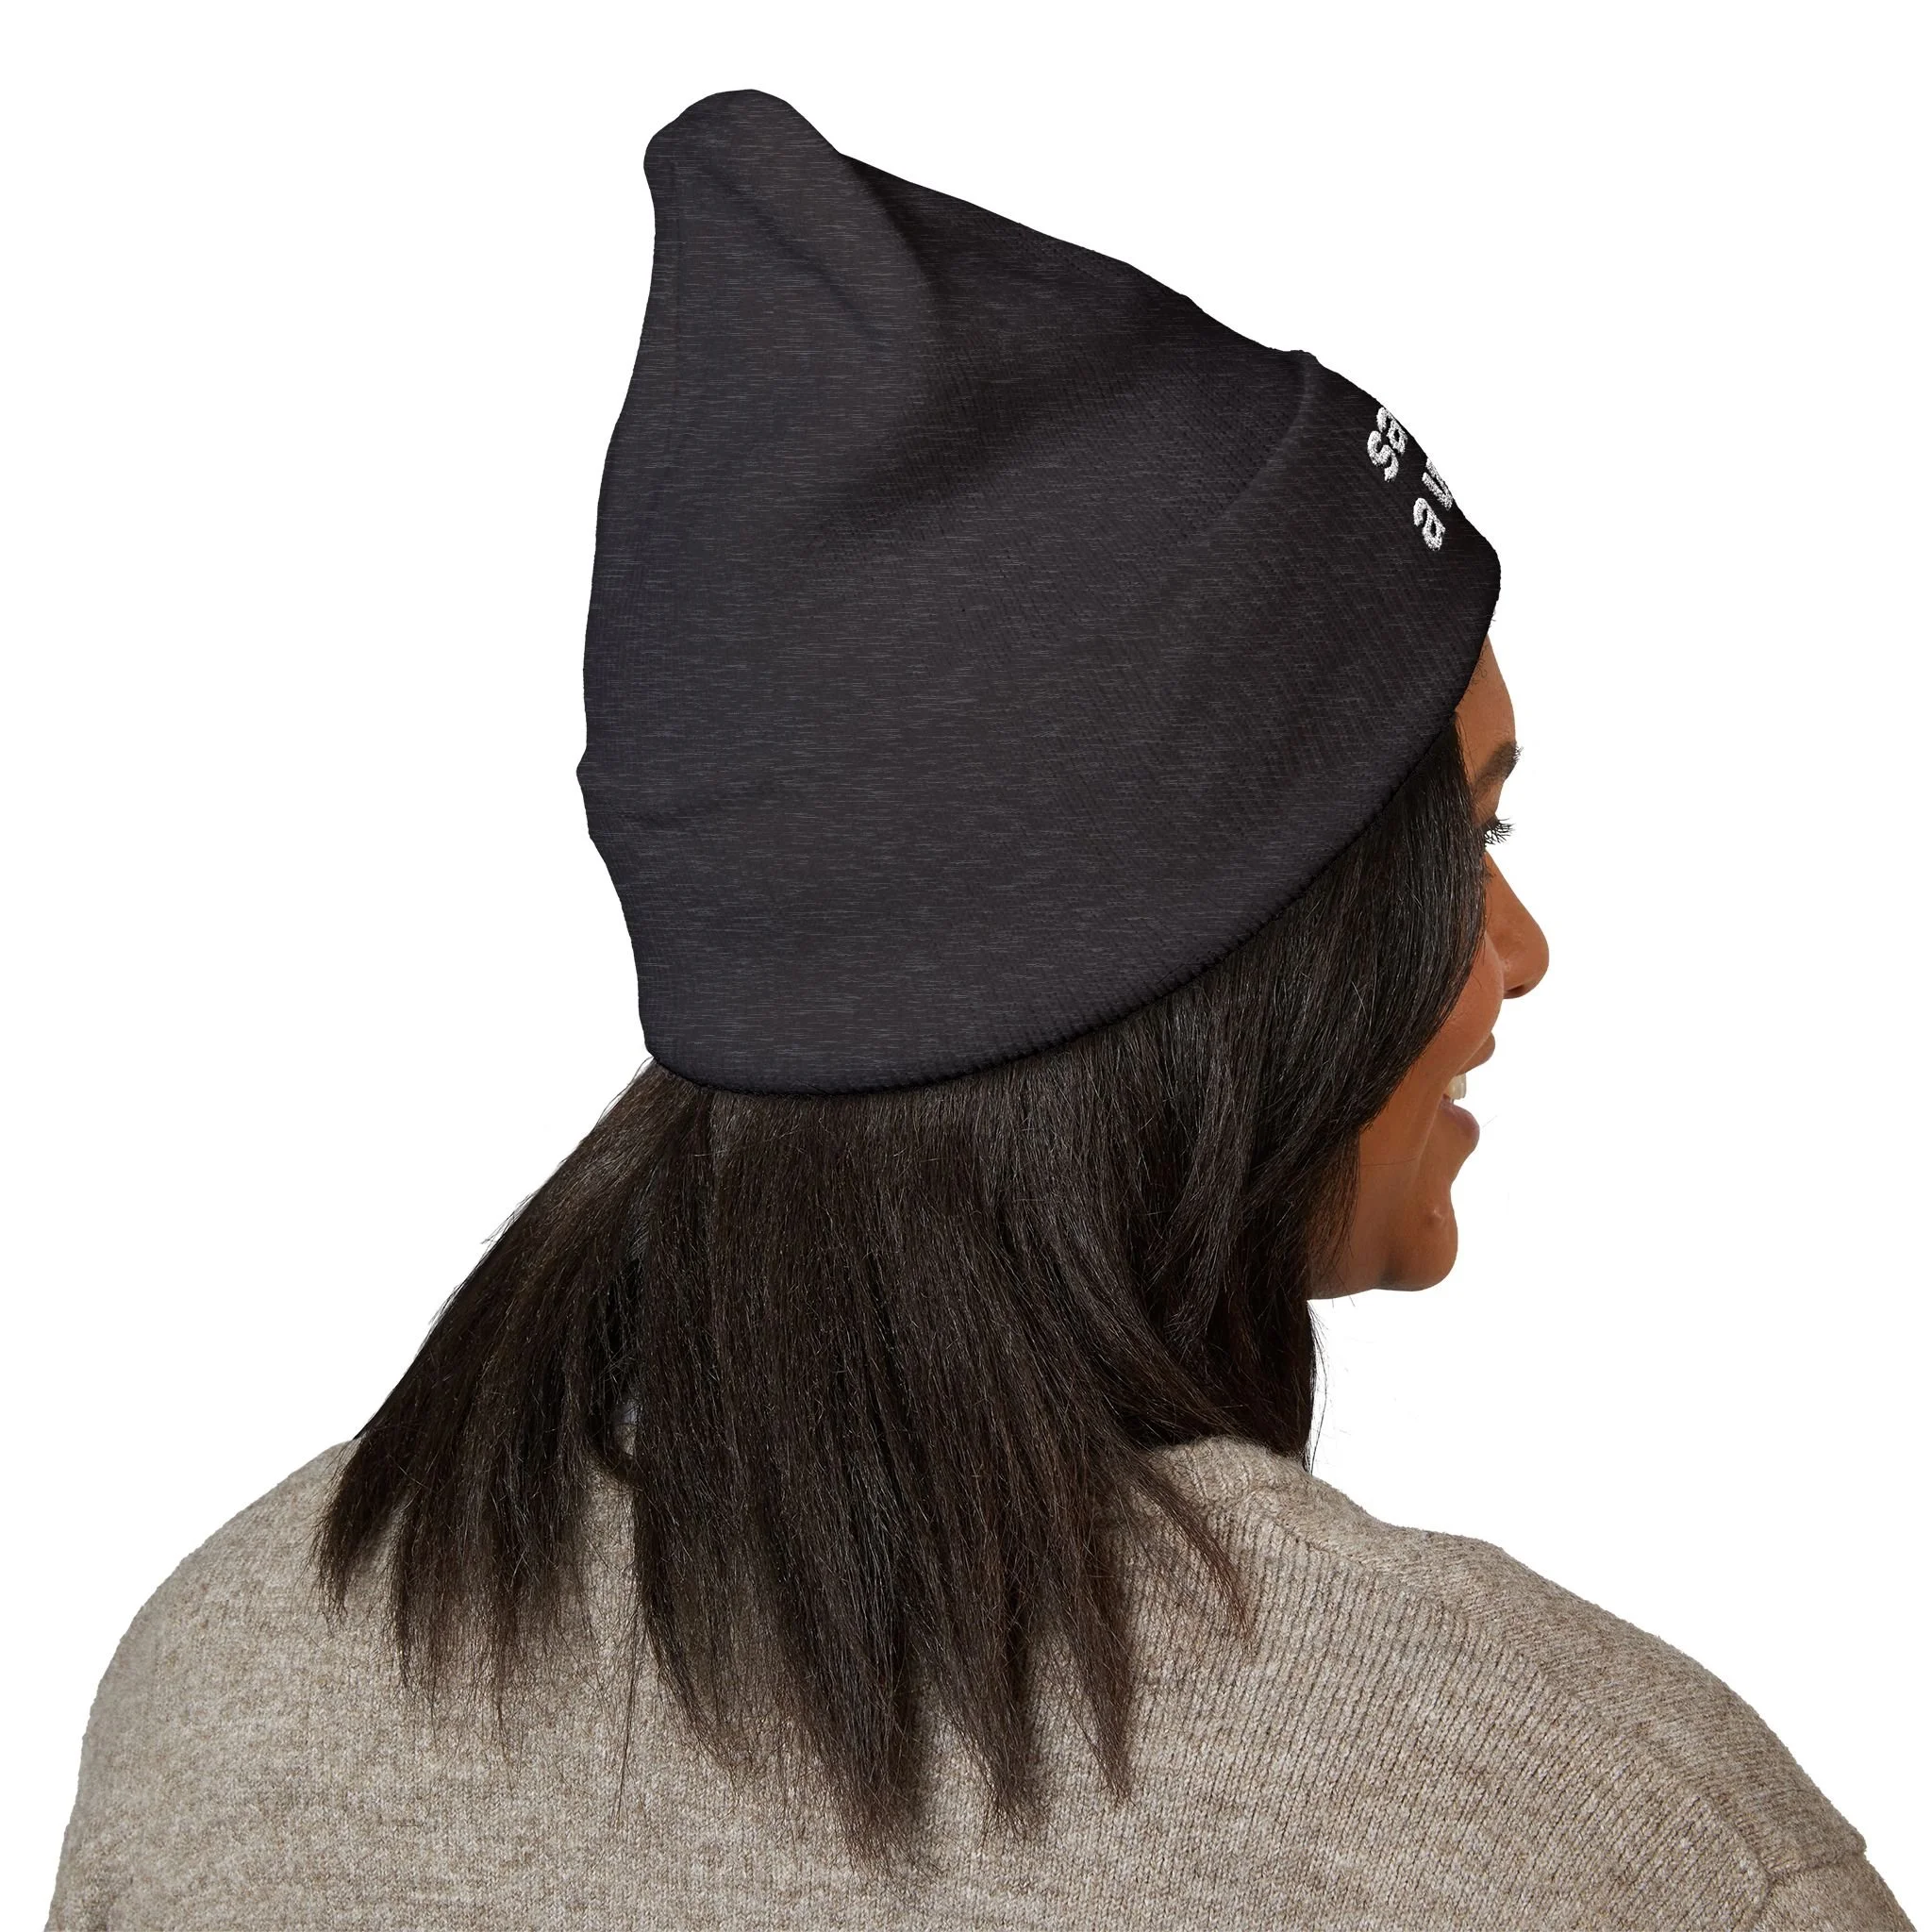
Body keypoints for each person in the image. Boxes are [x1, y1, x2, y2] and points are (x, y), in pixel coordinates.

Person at [46, 91, 1912, 1931]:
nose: (1517, 948)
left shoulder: (228, 1695)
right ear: (1215, 946)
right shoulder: (1577, 1829)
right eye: (1463, 842)